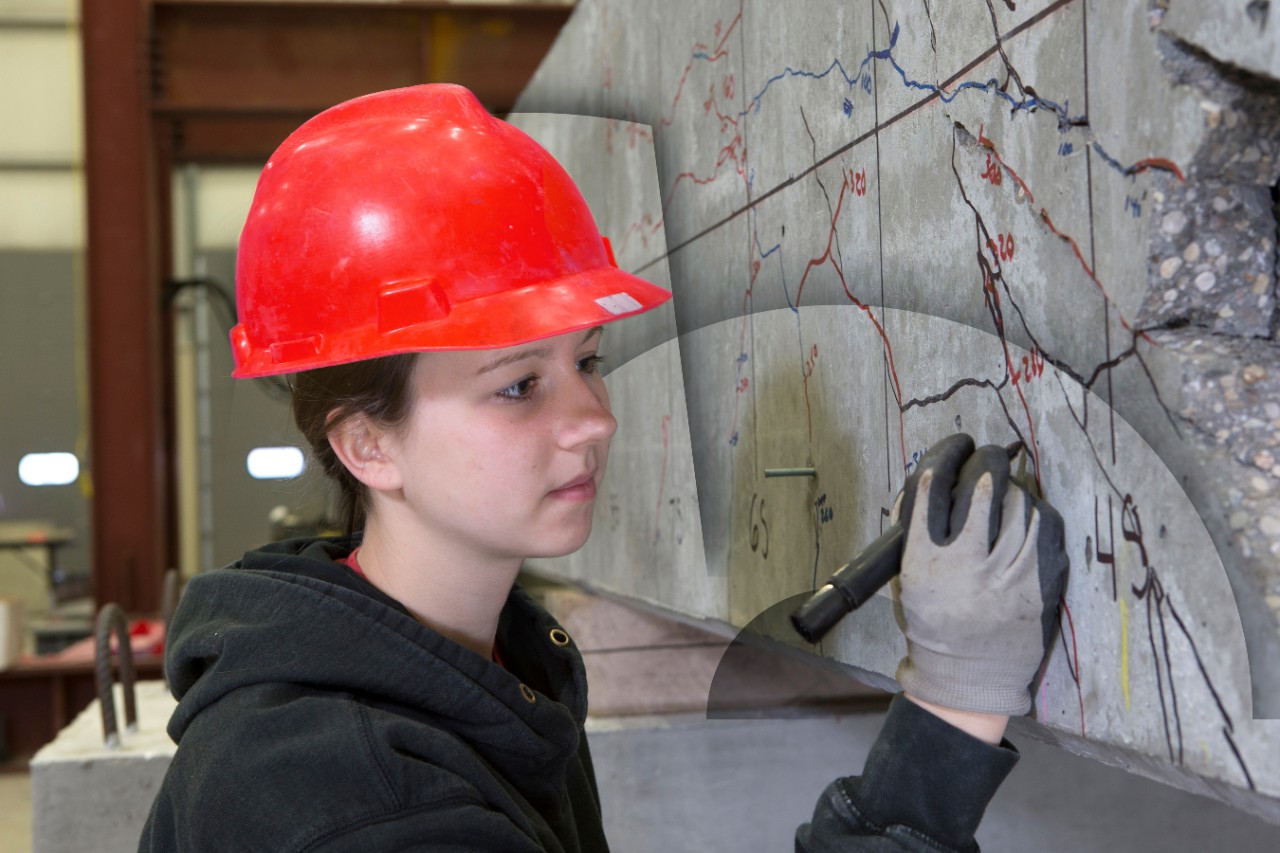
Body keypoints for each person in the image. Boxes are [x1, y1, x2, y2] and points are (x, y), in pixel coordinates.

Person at [139, 84, 1068, 852]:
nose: (592, 418)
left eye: (587, 361)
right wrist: (952, 704)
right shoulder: (356, 799)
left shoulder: (480, 668)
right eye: (516, 386)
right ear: (366, 444)